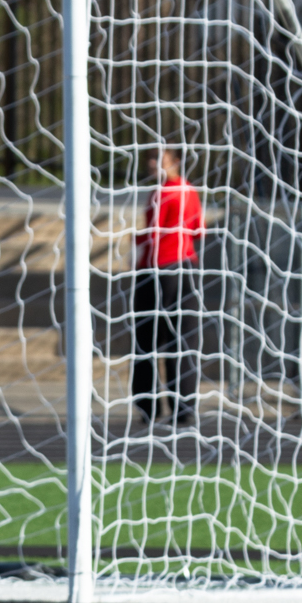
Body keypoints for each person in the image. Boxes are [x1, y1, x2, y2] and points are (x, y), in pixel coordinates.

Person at [133, 146, 204, 428]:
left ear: (175, 162)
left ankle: (149, 406)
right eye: (150, 159)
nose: (152, 164)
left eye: (157, 159)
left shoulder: (164, 193)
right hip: (186, 267)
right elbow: (198, 229)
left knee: (149, 339)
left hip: (160, 269)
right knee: (181, 340)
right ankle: (183, 407)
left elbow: (155, 234)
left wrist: (136, 239)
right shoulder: (188, 190)